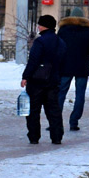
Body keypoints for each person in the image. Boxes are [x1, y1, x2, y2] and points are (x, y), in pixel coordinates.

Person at [22, 15, 66, 145]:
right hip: (53, 81)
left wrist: (26, 76)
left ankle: (34, 136)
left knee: (34, 110)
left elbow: (33, 61)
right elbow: (63, 61)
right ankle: (57, 136)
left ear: (44, 26)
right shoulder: (60, 42)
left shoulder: (40, 42)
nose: (38, 26)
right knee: (53, 110)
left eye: (39, 24)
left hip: (37, 81)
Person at [57, 9, 89, 132]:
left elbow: (57, 48)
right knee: (80, 94)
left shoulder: (63, 30)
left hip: (65, 67)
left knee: (60, 93)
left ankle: (56, 120)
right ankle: (74, 121)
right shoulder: (88, 31)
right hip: (82, 67)